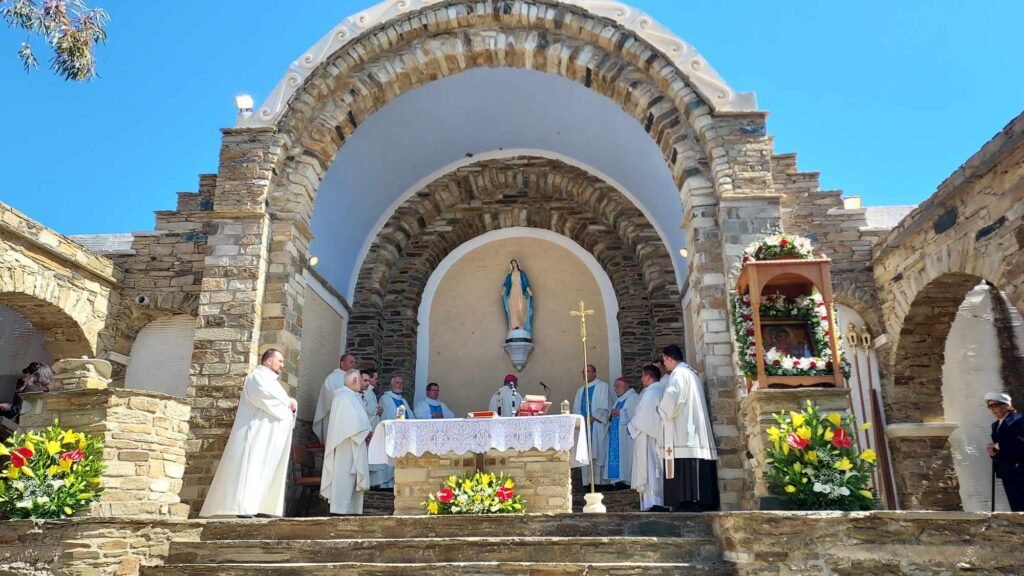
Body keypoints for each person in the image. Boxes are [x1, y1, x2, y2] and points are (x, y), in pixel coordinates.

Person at [200, 349, 296, 518]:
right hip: (256, 432)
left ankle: (259, 506)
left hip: (270, 436)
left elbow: (286, 402)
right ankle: (242, 507)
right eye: (280, 361)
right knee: (251, 468)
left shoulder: (274, 382)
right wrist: (286, 408)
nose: (282, 365)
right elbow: (263, 398)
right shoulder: (256, 377)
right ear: (268, 361)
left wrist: (291, 404)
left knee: (264, 470)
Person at [660, 345, 719, 512]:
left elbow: (674, 398)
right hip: (694, 426)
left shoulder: (678, 374)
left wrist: (661, 409)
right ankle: (700, 499)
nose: (664, 364)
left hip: (685, 430)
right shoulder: (691, 373)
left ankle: (686, 500)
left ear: (670, 358)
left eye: (664, 360)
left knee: (685, 461)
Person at [321, 369, 372, 515]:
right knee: (344, 477)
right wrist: (365, 432)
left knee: (352, 479)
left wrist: (366, 431)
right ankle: (340, 510)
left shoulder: (352, 397)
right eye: (360, 380)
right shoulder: (342, 397)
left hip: (355, 442)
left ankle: (352, 510)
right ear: (355, 380)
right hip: (345, 445)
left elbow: (360, 420)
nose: (362, 384)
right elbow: (349, 423)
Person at [629, 364, 667, 511]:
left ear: (649, 377)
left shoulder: (651, 392)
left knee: (651, 470)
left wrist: (630, 427)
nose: (641, 379)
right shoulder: (659, 389)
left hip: (649, 438)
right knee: (655, 469)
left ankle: (654, 501)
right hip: (654, 435)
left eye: (642, 375)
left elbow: (643, 417)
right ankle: (657, 500)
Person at [574, 364, 613, 486]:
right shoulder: (580, 390)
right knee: (585, 454)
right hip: (584, 427)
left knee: (598, 454)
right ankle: (588, 483)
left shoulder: (602, 386)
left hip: (596, 426)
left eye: (588, 371)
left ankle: (600, 483)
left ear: (595, 373)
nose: (585, 374)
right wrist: (581, 420)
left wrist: (593, 417)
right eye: (583, 372)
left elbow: (605, 406)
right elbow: (576, 408)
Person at [985, 392, 1024, 511]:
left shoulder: (1018, 420)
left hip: (1020, 468)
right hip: (1007, 470)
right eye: (990, 406)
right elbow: (1000, 450)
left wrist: (997, 445)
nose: (992, 409)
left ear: (1007, 406)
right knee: (1016, 507)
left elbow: (1020, 442)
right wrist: (994, 453)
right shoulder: (995, 425)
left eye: (995, 405)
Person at [377, 376, 413, 488]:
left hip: (404, 434)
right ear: (391, 384)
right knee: (390, 459)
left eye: (401, 383)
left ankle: (397, 482)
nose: (399, 385)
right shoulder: (385, 398)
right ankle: (386, 483)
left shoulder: (403, 400)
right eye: (397, 382)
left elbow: (410, 415)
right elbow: (387, 415)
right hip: (391, 434)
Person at [313, 353, 357, 443]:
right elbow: (327, 397)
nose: (354, 364)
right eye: (351, 362)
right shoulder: (332, 378)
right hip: (335, 416)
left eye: (355, 362)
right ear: (342, 363)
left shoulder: (353, 378)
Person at [605, 376, 639, 486]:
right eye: (615, 387)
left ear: (625, 387)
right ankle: (618, 481)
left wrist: (620, 412)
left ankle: (626, 480)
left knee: (626, 458)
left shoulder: (633, 398)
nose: (615, 389)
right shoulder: (619, 400)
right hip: (617, 436)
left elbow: (636, 416)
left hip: (626, 436)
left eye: (617, 387)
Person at [501, 259, 534, 334]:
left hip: (520, 292)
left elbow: (525, 282)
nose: (514, 264)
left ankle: (521, 324)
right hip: (513, 292)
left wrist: (529, 290)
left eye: (515, 263)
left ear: (517, 264)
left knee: (521, 307)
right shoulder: (510, 275)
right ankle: (514, 325)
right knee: (513, 308)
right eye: (512, 263)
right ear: (511, 265)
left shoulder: (521, 273)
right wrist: (503, 290)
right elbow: (506, 283)